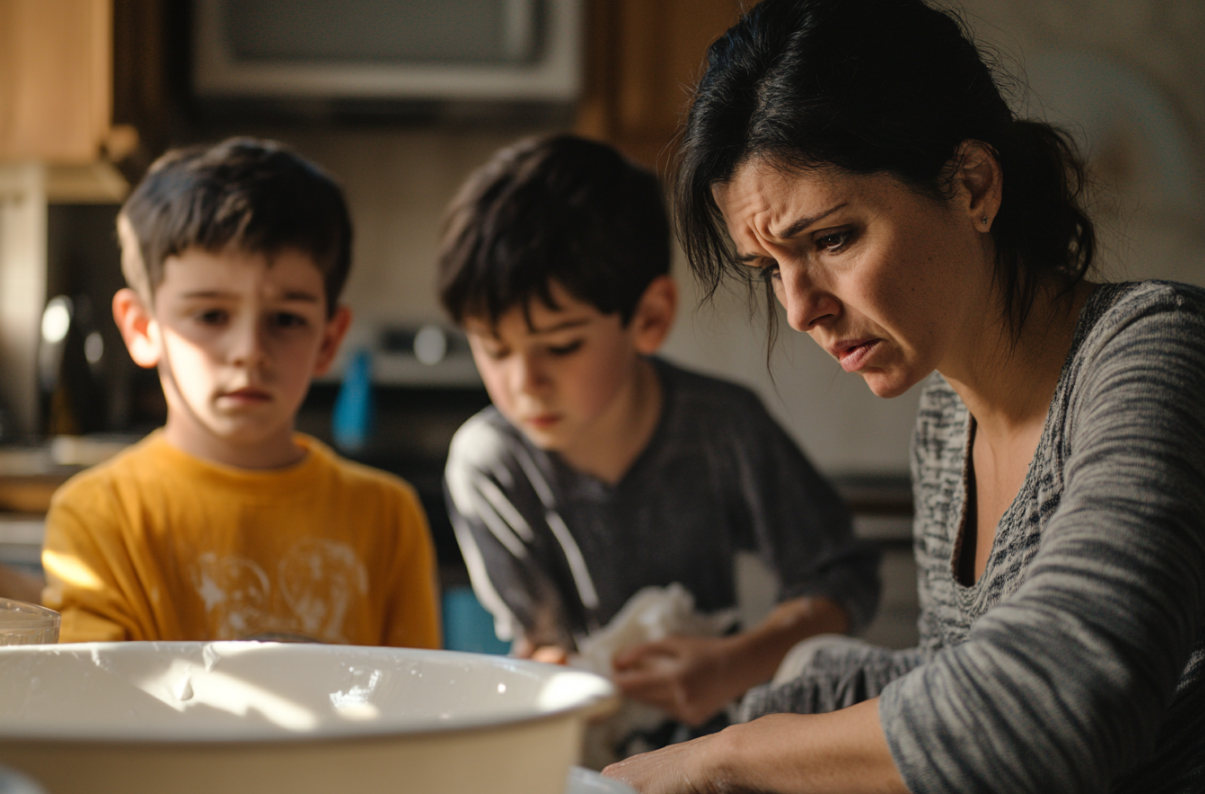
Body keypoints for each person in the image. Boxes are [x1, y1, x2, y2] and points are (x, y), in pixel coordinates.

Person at [602, 0, 1205, 791]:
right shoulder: (945, 417)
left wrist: (724, 757)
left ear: (971, 186)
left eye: (830, 240)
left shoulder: (1161, 353)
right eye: (769, 269)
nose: (798, 309)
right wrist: (753, 713)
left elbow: (1060, 702)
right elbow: (954, 683)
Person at [439, 134, 880, 751]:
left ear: (647, 319)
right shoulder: (490, 465)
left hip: (714, 754)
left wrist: (733, 663)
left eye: (561, 346)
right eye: (494, 347)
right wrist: (552, 675)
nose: (523, 384)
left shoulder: (720, 427)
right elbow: (540, 646)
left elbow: (840, 580)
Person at [40, 138, 442, 648]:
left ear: (329, 340)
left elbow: (419, 712)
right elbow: (99, 710)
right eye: (211, 315)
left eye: (286, 320)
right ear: (143, 328)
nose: (250, 351)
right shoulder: (99, 513)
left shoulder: (389, 517)